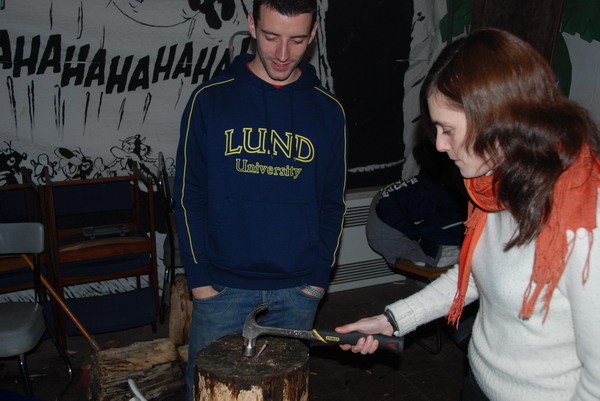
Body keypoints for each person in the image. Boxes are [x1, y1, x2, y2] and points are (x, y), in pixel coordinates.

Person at [336, 28, 600, 401]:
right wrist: (391, 320)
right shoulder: (495, 186)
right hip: (479, 384)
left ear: (500, 120)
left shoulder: (585, 225)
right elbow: (473, 273)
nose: (440, 145)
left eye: (448, 130)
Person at [173, 0, 347, 399]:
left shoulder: (328, 110)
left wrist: (317, 281)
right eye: (271, 37)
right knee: (207, 394)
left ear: (313, 34)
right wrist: (200, 282)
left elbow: (332, 204)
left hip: (297, 292)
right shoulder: (210, 100)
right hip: (221, 290)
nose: (283, 53)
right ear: (252, 25)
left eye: (297, 40)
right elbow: (187, 197)